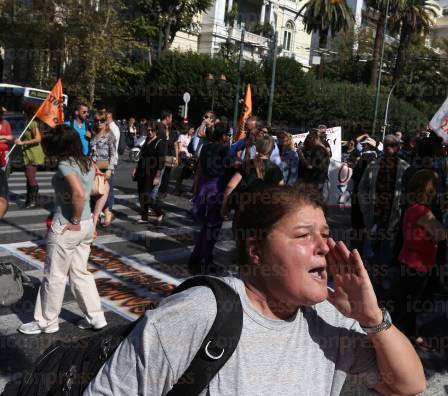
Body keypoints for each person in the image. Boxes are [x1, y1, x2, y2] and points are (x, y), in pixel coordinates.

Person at [85, 184, 426, 395]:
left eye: (325, 234)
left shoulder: (328, 319)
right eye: (304, 235)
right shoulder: (195, 313)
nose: (324, 246)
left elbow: (407, 385)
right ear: (256, 250)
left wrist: (372, 318)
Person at [18, 125, 107, 335]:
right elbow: (105, 187)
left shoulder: (66, 165)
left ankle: (46, 322)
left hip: (67, 225)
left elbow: (77, 193)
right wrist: (93, 217)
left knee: (54, 275)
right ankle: (96, 317)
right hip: (85, 226)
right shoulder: (87, 161)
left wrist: (74, 219)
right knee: (80, 273)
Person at [394, 169, 446, 351]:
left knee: (406, 305)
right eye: (433, 189)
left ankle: (409, 335)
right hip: (416, 267)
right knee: (407, 307)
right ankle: (395, 343)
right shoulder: (423, 211)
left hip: (409, 263)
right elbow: (441, 234)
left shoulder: (411, 209)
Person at [357, 135, 409, 285]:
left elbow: (409, 193)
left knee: (388, 247)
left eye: (392, 145)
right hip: (375, 213)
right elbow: (362, 188)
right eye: (386, 145)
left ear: (398, 147)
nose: (389, 148)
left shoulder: (405, 168)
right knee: (370, 246)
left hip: (393, 215)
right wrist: (366, 207)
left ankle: (381, 277)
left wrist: (402, 209)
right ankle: (365, 278)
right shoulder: (373, 165)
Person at [188, 123, 231, 274]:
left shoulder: (205, 147)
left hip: (204, 188)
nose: (228, 138)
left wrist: (195, 189)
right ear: (223, 136)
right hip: (216, 189)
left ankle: (197, 258)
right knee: (212, 227)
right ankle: (204, 261)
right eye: (228, 135)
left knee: (205, 226)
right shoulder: (224, 149)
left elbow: (199, 169)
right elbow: (229, 168)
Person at [222, 135, 283, 218]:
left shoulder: (246, 164)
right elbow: (281, 193)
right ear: (272, 150)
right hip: (263, 212)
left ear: (257, 147)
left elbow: (230, 186)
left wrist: (224, 206)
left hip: (243, 210)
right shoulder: (276, 169)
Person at [133, 121, 166, 224]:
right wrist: (136, 168)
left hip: (151, 172)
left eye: (152, 130)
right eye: (148, 130)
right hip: (141, 170)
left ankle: (160, 213)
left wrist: (158, 176)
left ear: (156, 131)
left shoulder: (160, 142)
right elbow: (142, 156)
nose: (150, 132)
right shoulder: (147, 139)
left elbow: (161, 160)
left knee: (146, 195)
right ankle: (144, 217)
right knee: (141, 195)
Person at [89, 110, 117, 227]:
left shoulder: (110, 135)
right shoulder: (94, 134)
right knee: (95, 192)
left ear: (106, 122)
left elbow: (113, 154)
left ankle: (105, 213)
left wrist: (110, 169)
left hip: (104, 167)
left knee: (103, 192)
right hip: (93, 167)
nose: (99, 123)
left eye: (102, 121)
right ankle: (104, 213)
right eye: (97, 121)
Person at [15, 102, 45, 208]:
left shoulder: (33, 123)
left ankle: (34, 201)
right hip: (28, 153)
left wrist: (22, 143)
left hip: (33, 153)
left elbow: (38, 139)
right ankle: (29, 200)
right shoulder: (28, 122)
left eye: (24, 110)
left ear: (28, 112)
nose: (22, 112)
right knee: (29, 176)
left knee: (30, 176)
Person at [298, 130, 330, 195]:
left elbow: (309, 166)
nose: (307, 142)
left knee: (316, 202)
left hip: (317, 181)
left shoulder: (319, 150)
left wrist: (300, 155)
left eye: (310, 140)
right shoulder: (315, 149)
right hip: (310, 181)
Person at [157, 110, 178, 198]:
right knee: (161, 174)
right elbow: (165, 143)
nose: (172, 119)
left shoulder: (164, 127)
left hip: (168, 155)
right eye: (171, 117)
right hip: (163, 155)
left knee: (166, 174)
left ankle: (162, 191)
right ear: (167, 117)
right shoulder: (161, 128)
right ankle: (159, 192)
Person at [174, 125, 195, 195]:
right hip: (183, 157)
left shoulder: (192, 138)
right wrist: (178, 158)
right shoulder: (182, 136)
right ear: (188, 129)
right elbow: (179, 147)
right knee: (180, 174)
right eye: (191, 129)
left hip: (189, 158)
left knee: (184, 175)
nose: (193, 131)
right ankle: (176, 189)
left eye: (193, 129)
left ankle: (179, 188)